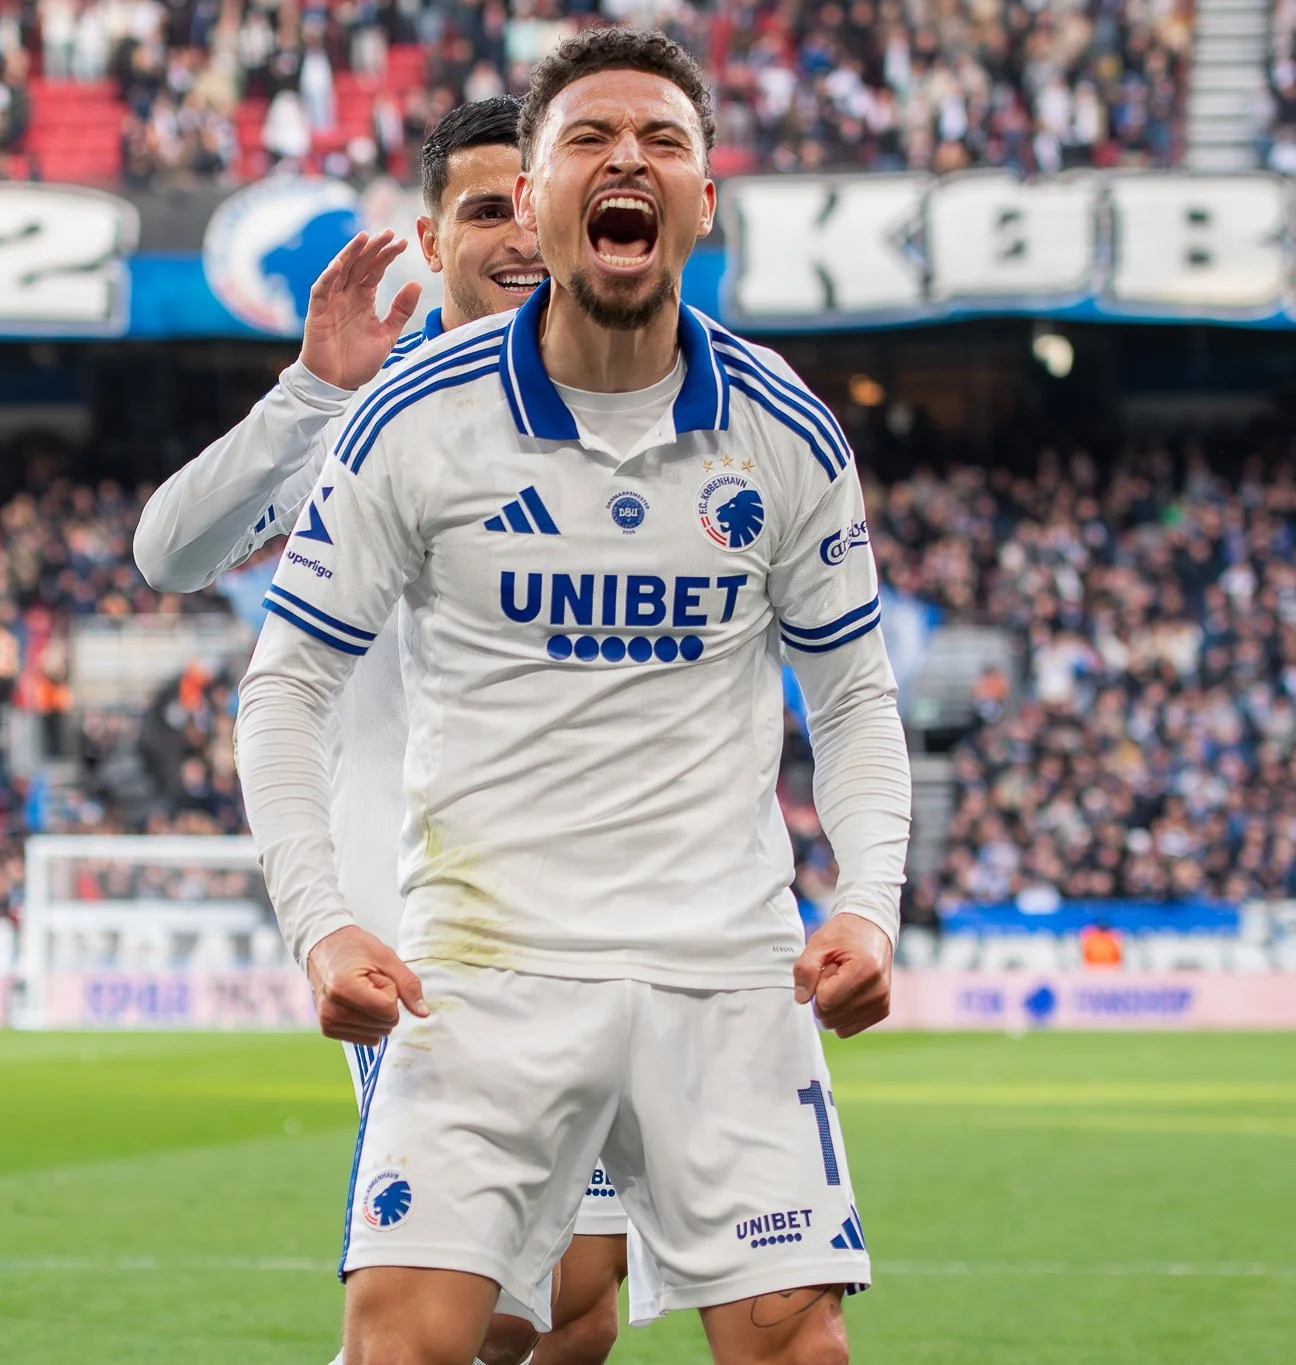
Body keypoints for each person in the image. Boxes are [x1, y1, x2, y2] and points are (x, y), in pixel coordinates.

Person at [234, 27, 911, 1365]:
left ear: (703, 201)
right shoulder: (413, 423)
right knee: (404, 1346)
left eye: (664, 141)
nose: (629, 162)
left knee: (796, 1347)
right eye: (589, 140)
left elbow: (855, 700)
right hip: (487, 974)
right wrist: (321, 926)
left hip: (723, 971)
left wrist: (868, 904)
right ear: (539, 202)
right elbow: (285, 685)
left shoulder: (785, 431)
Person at [138, 98, 626, 1365]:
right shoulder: (369, 411)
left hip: (605, 927)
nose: (519, 235)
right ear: (429, 234)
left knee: (573, 1313)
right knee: (442, 1319)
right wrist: (307, 390)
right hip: (421, 932)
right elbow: (168, 553)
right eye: (483, 210)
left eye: (536, 201)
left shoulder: (641, 404)